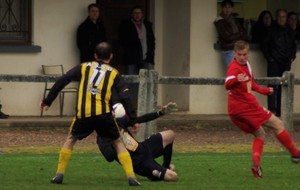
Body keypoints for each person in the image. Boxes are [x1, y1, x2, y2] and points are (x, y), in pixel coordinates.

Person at [39, 42, 141, 186]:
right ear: (111, 56)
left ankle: (59, 175)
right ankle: (131, 177)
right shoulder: (114, 73)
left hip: (84, 114)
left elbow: (64, 79)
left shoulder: (84, 67)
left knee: (71, 139)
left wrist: (48, 100)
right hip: (104, 115)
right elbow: (125, 96)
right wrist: (133, 120)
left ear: (95, 56)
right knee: (118, 143)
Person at [225, 40, 300, 178]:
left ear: (248, 54)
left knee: (260, 134)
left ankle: (256, 165)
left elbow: (250, 83)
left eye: (244, 54)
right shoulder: (234, 68)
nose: (242, 57)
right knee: (278, 124)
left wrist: (263, 91)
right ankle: (295, 153)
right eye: (239, 54)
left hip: (234, 112)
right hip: (246, 108)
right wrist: (236, 79)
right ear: (234, 54)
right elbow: (227, 84)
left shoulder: (247, 65)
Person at [97, 102, 178, 181]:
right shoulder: (102, 138)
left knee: (170, 135)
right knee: (173, 176)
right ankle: (153, 174)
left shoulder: (119, 122)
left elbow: (140, 119)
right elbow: (109, 157)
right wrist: (117, 141)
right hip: (139, 163)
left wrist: (161, 112)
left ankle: (165, 167)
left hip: (144, 148)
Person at [261, 9, 297, 116]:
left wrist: (292, 56)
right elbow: (264, 45)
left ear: (286, 18)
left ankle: (280, 111)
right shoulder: (271, 30)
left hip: (286, 62)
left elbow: (293, 45)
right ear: (276, 18)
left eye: (283, 17)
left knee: (284, 87)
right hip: (274, 62)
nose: (281, 19)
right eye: (279, 17)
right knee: (272, 86)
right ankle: (272, 110)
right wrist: (270, 58)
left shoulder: (290, 31)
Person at [118, 5, 155, 74]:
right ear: (132, 14)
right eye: (135, 13)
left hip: (145, 58)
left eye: (139, 13)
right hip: (131, 59)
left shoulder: (147, 24)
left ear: (142, 14)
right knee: (131, 80)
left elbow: (152, 40)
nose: (137, 15)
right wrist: (135, 37)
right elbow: (122, 40)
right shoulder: (126, 24)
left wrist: (151, 53)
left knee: (144, 80)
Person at [214, 0, 247, 68]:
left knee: (240, 73)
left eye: (229, 7)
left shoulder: (234, 20)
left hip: (238, 50)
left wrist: (239, 34)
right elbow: (227, 37)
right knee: (233, 72)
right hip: (228, 50)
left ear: (232, 9)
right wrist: (239, 34)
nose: (227, 9)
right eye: (225, 7)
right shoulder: (220, 21)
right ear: (222, 8)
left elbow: (244, 33)